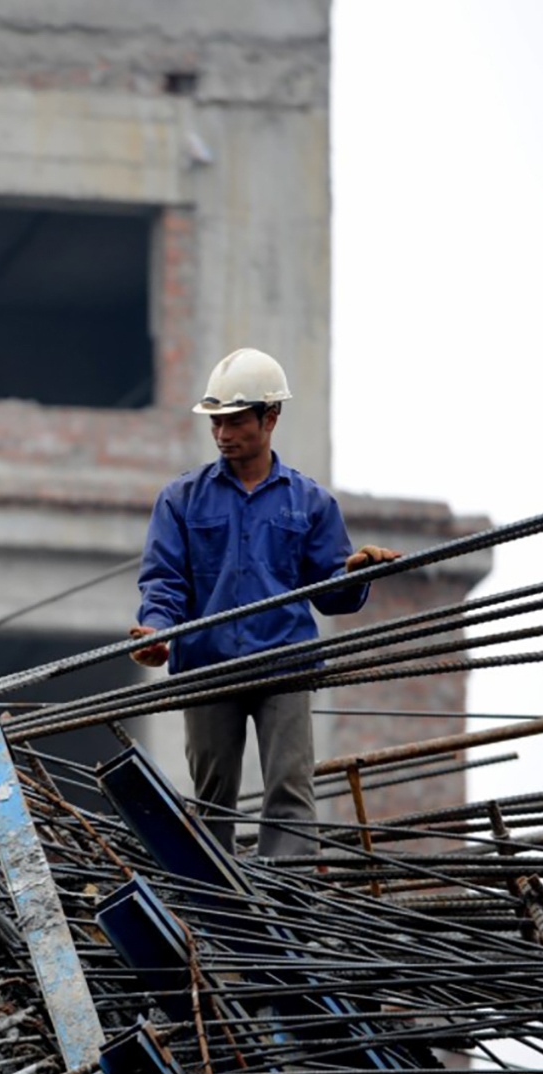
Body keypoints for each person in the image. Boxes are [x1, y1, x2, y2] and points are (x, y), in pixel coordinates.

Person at [129, 348, 399, 857]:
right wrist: (156, 631)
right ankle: (218, 911)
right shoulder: (181, 500)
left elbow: (332, 595)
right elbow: (164, 582)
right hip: (207, 666)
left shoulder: (311, 503)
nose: (223, 434)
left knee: (291, 794)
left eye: (234, 421)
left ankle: (289, 915)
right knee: (213, 802)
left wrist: (356, 573)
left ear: (270, 417)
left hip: (285, 662)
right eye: (216, 423)